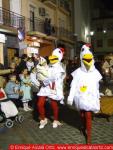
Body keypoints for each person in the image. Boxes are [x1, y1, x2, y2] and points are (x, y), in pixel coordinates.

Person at [67, 44, 102, 144]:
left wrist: (98, 95)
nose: (88, 61)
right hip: (80, 96)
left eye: (89, 59)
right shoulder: (78, 72)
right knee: (82, 114)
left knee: (88, 115)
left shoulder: (95, 72)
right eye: (85, 59)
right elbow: (73, 86)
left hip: (90, 97)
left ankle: (89, 136)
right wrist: (70, 97)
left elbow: (97, 86)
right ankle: (83, 126)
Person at [37, 48, 65, 129]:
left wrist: (44, 81)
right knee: (39, 104)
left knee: (54, 104)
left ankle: (55, 119)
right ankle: (43, 119)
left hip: (53, 88)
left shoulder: (60, 68)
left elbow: (54, 78)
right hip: (45, 88)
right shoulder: (48, 65)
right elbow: (43, 74)